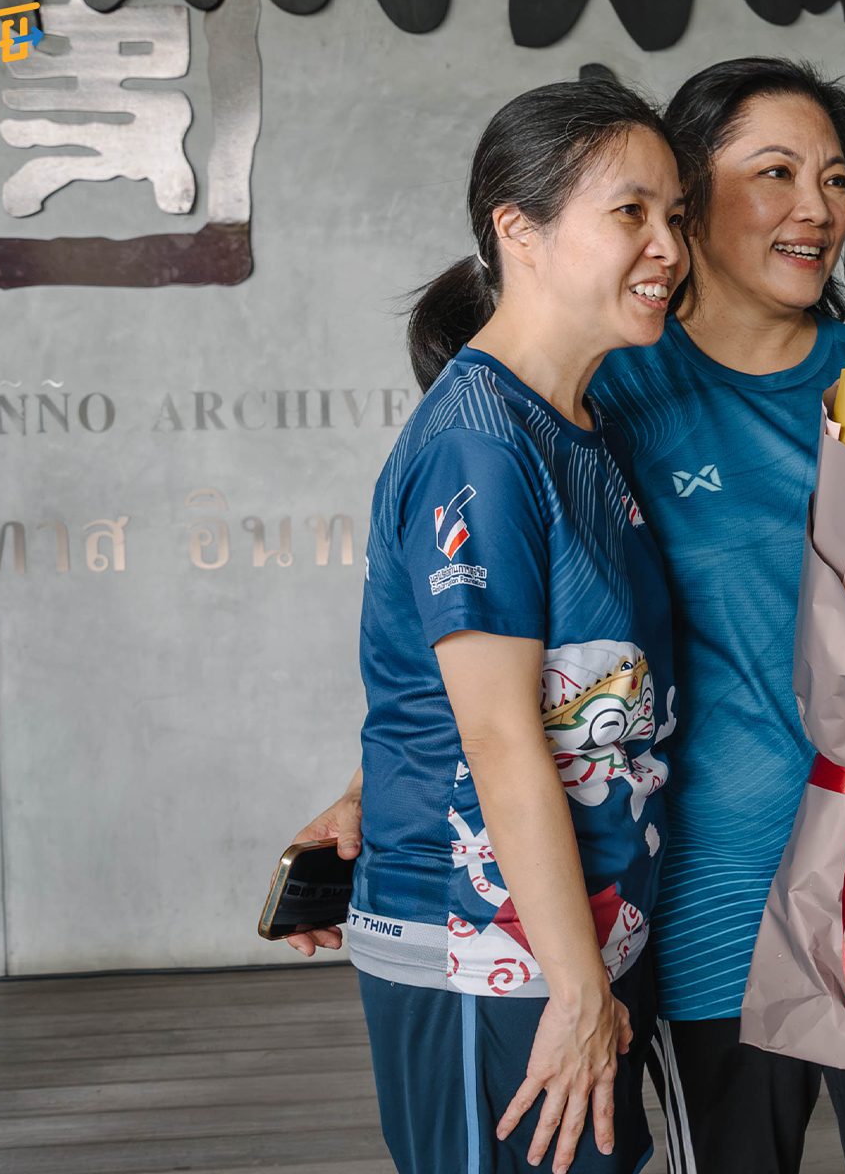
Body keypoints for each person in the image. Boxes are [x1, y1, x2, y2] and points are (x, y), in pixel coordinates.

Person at [587, 57, 845, 1173]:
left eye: (834, 177)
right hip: (719, 907)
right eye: (774, 173)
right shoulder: (621, 391)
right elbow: (534, 640)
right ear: (685, 196)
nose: (815, 206)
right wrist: (375, 784)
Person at [286, 78, 687, 1174]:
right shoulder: (481, 442)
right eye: (631, 211)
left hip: (575, 937)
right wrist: (576, 989)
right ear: (519, 228)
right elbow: (499, 735)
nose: (668, 246)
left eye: (675, 215)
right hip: (487, 947)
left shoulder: (582, 427)